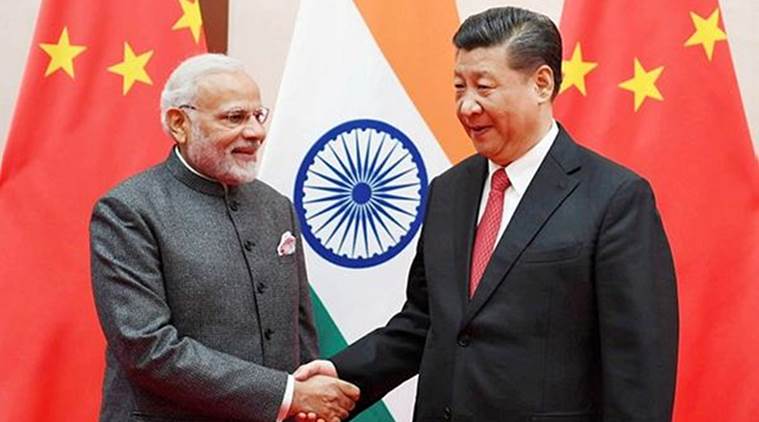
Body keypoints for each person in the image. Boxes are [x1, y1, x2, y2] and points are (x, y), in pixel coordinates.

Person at [295, 7, 678, 422]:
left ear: (542, 84)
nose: (466, 106)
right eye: (459, 87)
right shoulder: (448, 190)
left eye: (484, 87)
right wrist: (340, 373)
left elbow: (638, 367)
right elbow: (426, 321)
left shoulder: (615, 198)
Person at [90, 53, 358, 422]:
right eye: (235, 117)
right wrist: (288, 395)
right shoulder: (129, 209)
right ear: (179, 123)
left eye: (258, 115)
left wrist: (307, 398)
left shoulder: (275, 206)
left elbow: (299, 328)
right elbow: (147, 348)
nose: (256, 132)